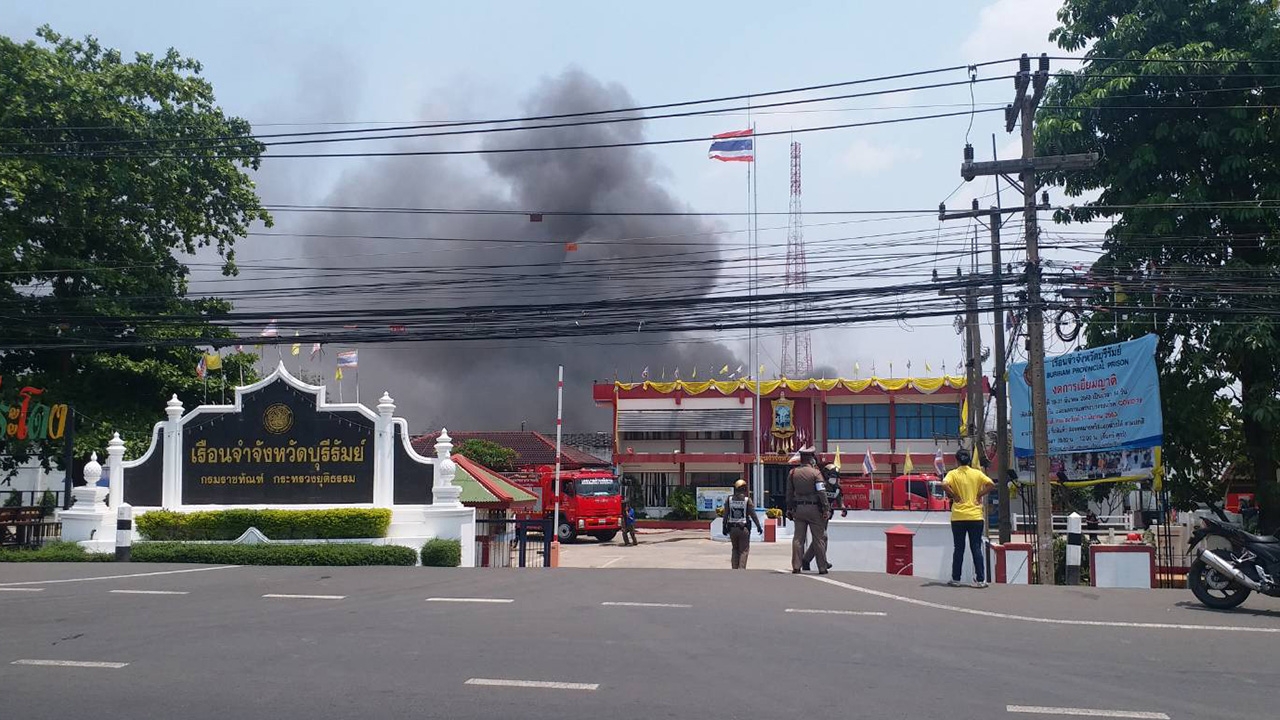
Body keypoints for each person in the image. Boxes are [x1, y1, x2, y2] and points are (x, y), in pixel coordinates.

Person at [941, 448, 995, 587]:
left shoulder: (953, 474)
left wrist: (954, 495)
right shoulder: (977, 473)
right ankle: (981, 579)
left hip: (958, 516)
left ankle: (956, 579)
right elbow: (991, 484)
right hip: (976, 516)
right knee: (976, 547)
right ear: (969, 460)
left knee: (959, 548)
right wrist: (979, 495)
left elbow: (944, 484)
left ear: (957, 460)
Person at [787, 446, 830, 574]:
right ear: (811, 459)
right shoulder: (816, 473)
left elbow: (789, 493)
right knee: (819, 538)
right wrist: (826, 508)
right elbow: (822, 492)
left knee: (798, 539)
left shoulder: (793, 473)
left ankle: (796, 565)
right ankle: (822, 567)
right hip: (814, 509)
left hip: (799, 509)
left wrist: (789, 508)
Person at [802, 463, 843, 571]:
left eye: (835, 477)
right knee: (823, 537)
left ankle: (806, 560)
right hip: (817, 514)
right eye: (832, 476)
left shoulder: (837, 489)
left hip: (826, 516)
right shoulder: (820, 486)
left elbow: (840, 501)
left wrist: (843, 508)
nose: (833, 479)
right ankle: (823, 561)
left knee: (819, 539)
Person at [721, 479, 763, 569]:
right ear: (744, 489)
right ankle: (741, 569)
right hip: (743, 528)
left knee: (735, 549)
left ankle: (734, 568)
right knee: (744, 550)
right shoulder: (747, 500)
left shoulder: (729, 499)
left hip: (732, 528)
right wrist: (759, 526)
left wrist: (723, 526)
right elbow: (753, 515)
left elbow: (725, 514)